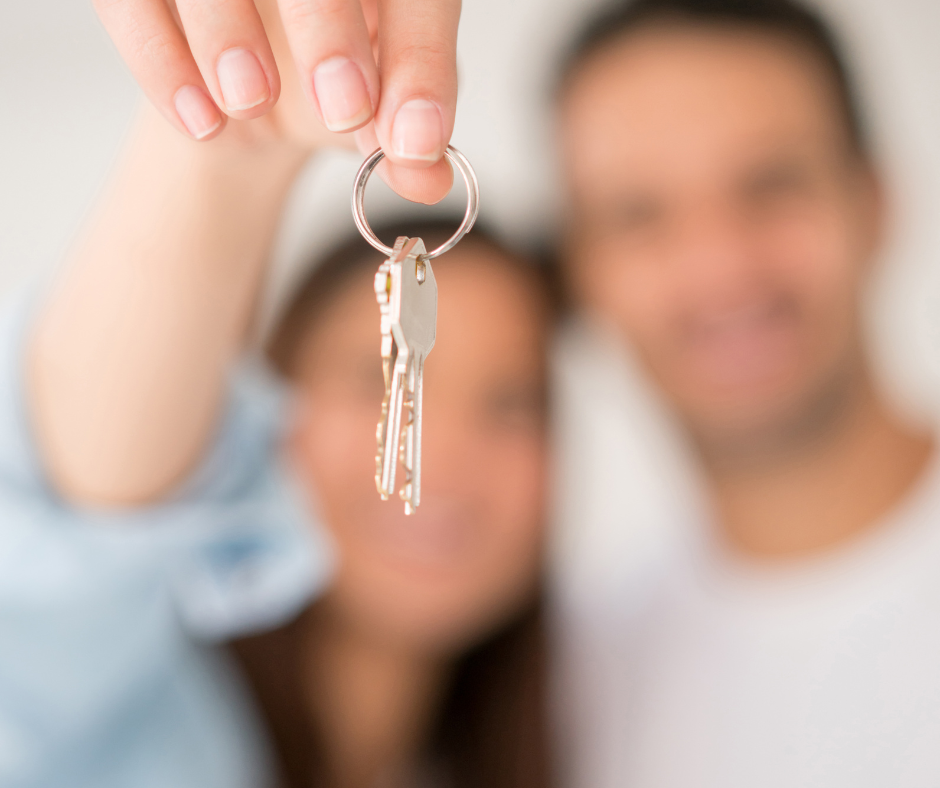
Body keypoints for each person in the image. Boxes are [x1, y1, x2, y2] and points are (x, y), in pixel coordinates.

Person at [0, 4, 555, 787]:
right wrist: (224, 159)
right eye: (373, 376)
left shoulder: (597, 730)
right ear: (269, 405)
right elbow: (70, 540)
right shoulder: (109, 710)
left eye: (511, 403)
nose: (446, 448)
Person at [552, 1, 940, 786]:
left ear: (873, 203)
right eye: (639, 214)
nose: (720, 264)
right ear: (581, 273)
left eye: (771, 183)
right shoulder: (564, 685)